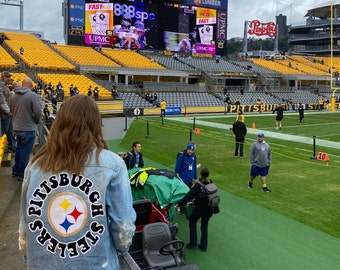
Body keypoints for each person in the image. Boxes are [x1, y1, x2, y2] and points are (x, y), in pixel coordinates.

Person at [18, 95, 136, 269]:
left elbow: (24, 227)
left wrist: (32, 259)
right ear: (95, 124)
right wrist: (117, 252)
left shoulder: (34, 165)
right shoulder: (113, 164)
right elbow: (123, 229)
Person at [10, 77, 42, 181]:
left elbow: (11, 110)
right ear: (31, 85)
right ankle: (22, 174)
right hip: (28, 127)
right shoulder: (32, 95)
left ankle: (16, 170)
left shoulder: (14, 95)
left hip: (16, 127)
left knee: (19, 149)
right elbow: (37, 111)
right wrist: (36, 121)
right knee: (25, 152)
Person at [176, 167, 214, 251]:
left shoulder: (198, 185)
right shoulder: (211, 182)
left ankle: (193, 243)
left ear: (200, 174)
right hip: (209, 209)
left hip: (200, 208)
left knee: (192, 222)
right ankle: (204, 246)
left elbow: (188, 196)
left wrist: (179, 203)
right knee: (204, 225)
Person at [0, 71, 16, 152]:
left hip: (8, 114)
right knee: (4, 132)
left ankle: (12, 146)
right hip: (5, 115)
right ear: (2, 77)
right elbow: (2, 102)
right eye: (7, 77)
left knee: (10, 131)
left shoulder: (5, 86)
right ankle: (2, 148)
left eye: (9, 77)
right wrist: (9, 112)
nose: (8, 78)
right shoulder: (1, 87)